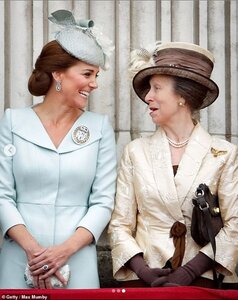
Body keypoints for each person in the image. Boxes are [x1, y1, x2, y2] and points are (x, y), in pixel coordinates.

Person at [0, 9, 117, 289]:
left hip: (78, 262)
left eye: (96, 75)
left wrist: (63, 251)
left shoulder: (100, 128)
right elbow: (2, 194)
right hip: (20, 259)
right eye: (87, 73)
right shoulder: (13, 121)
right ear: (57, 74)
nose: (94, 84)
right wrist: (34, 251)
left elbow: (103, 202)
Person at [108, 41, 238, 289]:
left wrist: (190, 271)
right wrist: (143, 271)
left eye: (157, 88)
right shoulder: (135, 152)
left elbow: (235, 225)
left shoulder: (224, 154)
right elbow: (120, 224)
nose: (148, 97)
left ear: (182, 97)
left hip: (203, 279)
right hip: (146, 280)